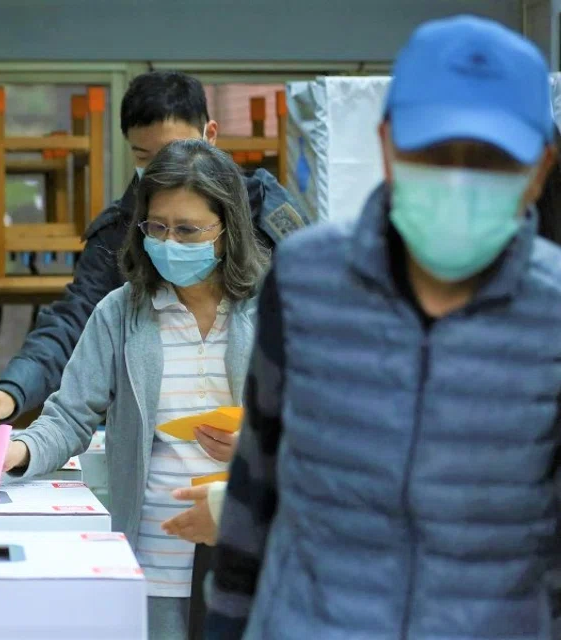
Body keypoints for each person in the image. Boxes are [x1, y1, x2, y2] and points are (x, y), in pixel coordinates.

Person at [207, 15, 560, 639]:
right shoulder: (307, 281)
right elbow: (253, 492)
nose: (458, 180)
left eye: (490, 160)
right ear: (388, 145)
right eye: (433, 151)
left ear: (539, 170)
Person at [0, 139, 268, 638]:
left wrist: (256, 449)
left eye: (188, 230)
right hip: (151, 560)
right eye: (157, 227)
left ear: (228, 230)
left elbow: (317, 431)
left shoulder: (273, 310)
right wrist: (19, 449)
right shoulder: (121, 312)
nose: (169, 242)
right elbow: (70, 415)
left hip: (248, 556)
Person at [0, 70, 307, 431]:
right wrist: (13, 388)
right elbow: (73, 321)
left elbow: (314, 319)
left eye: (190, 230)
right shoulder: (119, 230)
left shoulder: (265, 211)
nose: (162, 173)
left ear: (209, 135)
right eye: (145, 156)